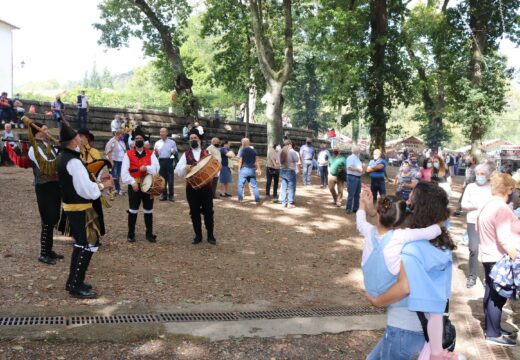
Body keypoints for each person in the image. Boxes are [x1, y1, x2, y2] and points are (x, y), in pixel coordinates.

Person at [367, 182, 459, 359]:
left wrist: (378, 301)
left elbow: (404, 287)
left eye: (411, 200)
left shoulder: (412, 248)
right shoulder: (442, 245)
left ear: (420, 209)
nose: (407, 202)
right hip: (422, 331)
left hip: (403, 331)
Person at [58, 122, 111, 299]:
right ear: (73, 141)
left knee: (81, 243)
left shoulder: (65, 156)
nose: (81, 139)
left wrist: (96, 183)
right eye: (78, 137)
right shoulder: (73, 161)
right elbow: (85, 190)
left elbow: (81, 184)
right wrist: (104, 185)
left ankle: (73, 281)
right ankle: (76, 285)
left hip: (73, 207)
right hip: (80, 208)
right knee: (89, 244)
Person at [477, 172, 520, 346]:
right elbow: (503, 238)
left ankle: (492, 328)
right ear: (509, 189)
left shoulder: (487, 205)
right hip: (499, 257)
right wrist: (516, 258)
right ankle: (493, 333)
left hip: (489, 255)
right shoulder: (501, 208)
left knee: (491, 293)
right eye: (514, 189)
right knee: (497, 297)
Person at [27, 122, 63, 265]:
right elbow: (47, 165)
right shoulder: (34, 149)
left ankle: (49, 250)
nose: (48, 131)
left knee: (54, 217)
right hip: (44, 186)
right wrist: (61, 153)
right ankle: (43, 253)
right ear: (37, 134)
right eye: (45, 129)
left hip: (54, 185)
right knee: (48, 219)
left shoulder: (49, 146)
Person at [176, 129, 216, 245]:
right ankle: (198, 235)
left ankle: (210, 235)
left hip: (206, 187)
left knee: (208, 211)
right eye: (191, 138)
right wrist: (185, 167)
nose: (193, 140)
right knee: (194, 212)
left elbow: (215, 170)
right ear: (189, 141)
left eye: (195, 138)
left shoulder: (207, 153)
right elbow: (178, 170)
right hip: (191, 187)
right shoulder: (185, 155)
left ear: (200, 140)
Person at [121, 129, 159, 243]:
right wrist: (132, 182)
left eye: (141, 139)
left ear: (144, 141)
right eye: (137, 139)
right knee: (133, 210)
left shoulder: (150, 153)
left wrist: (147, 168)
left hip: (148, 185)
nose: (139, 140)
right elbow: (124, 172)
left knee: (148, 210)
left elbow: (157, 168)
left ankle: (149, 234)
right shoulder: (128, 154)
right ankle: (131, 234)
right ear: (133, 141)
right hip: (134, 185)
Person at [461, 163, 493, 288]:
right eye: (478, 174)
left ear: (488, 175)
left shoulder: (491, 188)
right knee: (473, 249)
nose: (480, 176)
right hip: (472, 220)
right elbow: (464, 204)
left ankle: (487, 277)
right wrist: (476, 205)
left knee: (487, 249)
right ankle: (472, 276)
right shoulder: (470, 187)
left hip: (488, 222)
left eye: (482, 174)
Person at [154, 128, 178, 201]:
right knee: (162, 179)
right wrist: (156, 153)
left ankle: (171, 195)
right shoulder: (157, 143)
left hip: (169, 161)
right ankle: (163, 195)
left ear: (167, 133)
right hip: (161, 161)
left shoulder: (172, 142)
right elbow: (155, 155)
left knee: (170, 179)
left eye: (163, 132)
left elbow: (175, 153)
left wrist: (173, 153)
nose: (162, 133)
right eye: (160, 132)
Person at [237, 138, 261, 204]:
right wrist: (258, 169)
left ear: (243, 143)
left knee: (240, 185)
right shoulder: (253, 150)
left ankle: (240, 199)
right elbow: (257, 160)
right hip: (252, 169)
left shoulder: (242, 150)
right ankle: (257, 200)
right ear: (249, 143)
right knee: (254, 185)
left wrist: (239, 169)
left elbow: (240, 160)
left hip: (244, 169)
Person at [105, 130, 127, 197]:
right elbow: (108, 151)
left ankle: (118, 189)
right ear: (118, 134)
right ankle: (109, 190)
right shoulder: (112, 141)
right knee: (113, 176)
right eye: (122, 135)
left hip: (120, 161)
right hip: (114, 161)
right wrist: (111, 162)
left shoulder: (121, 141)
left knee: (117, 176)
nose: (123, 136)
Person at [279, 139, 300, 208]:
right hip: (290, 171)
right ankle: (290, 202)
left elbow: (278, 161)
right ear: (289, 144)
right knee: (291, 187)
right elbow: (297, 159)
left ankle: (283, 202)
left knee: (284, 187)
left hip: (282, 170)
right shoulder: (291, 151)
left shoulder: (281, 151)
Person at [346, 146, 363, 214]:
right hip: (352, 177)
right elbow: (349, 167)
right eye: (359, 150)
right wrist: (358, 169)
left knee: (357, 194)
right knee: (351, 194)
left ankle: (355, 208)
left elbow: (357, 167)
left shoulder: (357, 158)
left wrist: (361, 170)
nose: (360, 151)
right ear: (356, 151)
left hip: (358, 177)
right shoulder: (351, 158)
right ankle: (348, 208)